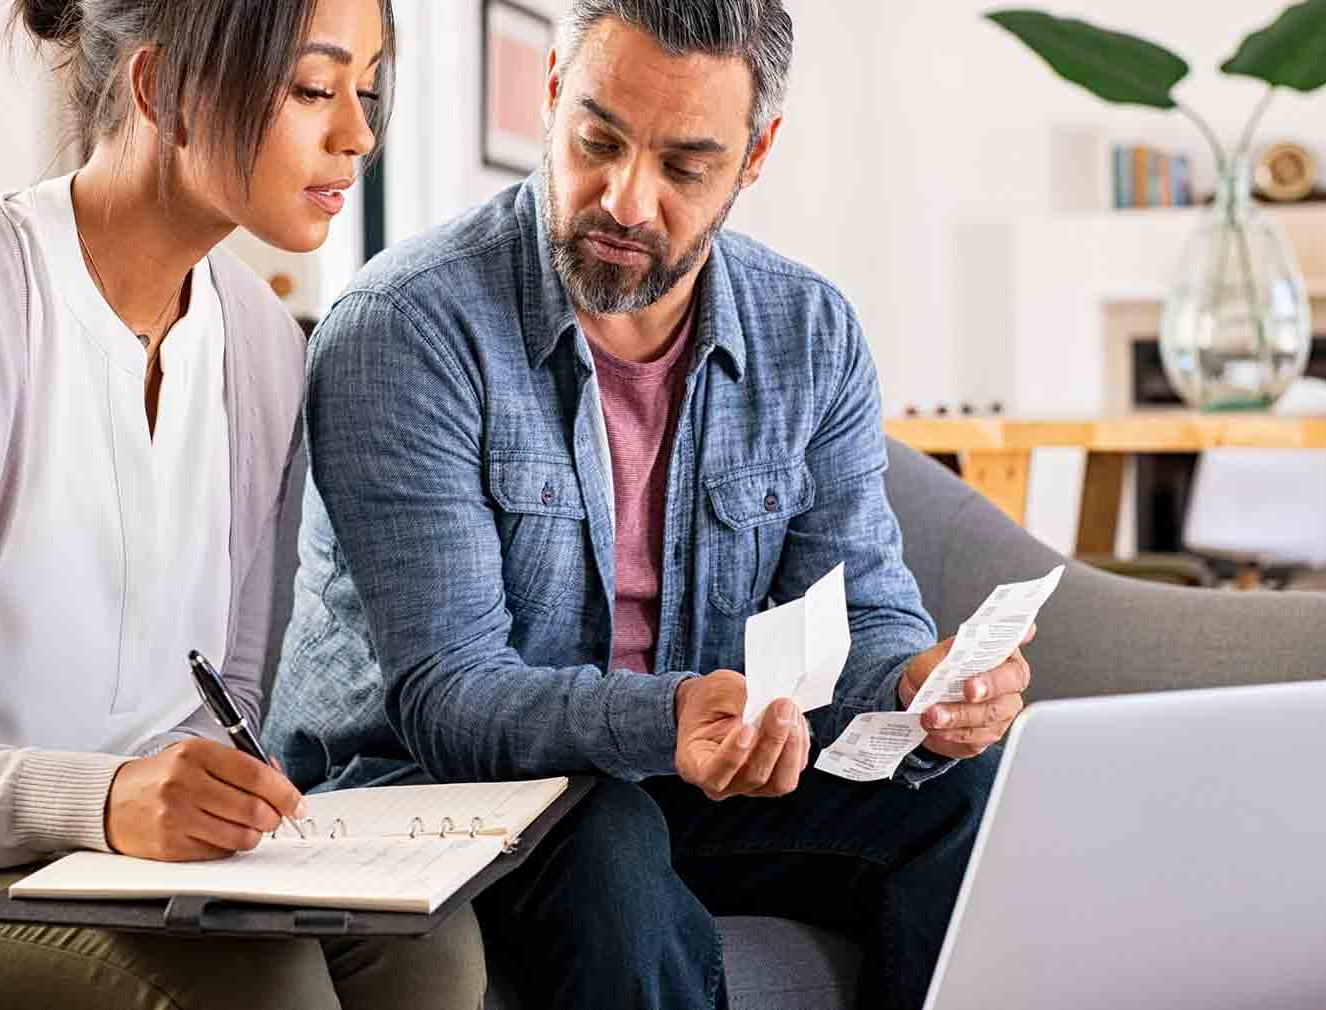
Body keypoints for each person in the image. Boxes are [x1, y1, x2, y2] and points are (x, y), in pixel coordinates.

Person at [0, 1, 486, 1008]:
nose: (358, 132)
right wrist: (105, 800)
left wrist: (221, 806)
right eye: (313, 89)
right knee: (255, 985)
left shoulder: (264, 348)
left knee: (430, 945)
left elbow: (215, 697)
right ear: (160, 90)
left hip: (94, 858)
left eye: (365, 90)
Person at [267, 2, 1029, 1008]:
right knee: (609, 833)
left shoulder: (811, 333)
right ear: (550, 94)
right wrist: (669, 717)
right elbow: (449, 696)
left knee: (974, 795)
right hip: (423, 793)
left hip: (680, 775)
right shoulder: (405, 328)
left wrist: (920, 688)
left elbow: (862, 614)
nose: (626, 201)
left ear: (755, 156)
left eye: (683, 167)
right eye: (598, 141)